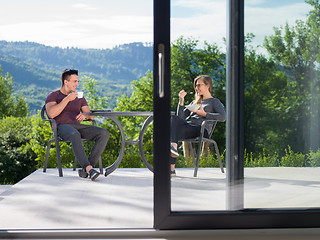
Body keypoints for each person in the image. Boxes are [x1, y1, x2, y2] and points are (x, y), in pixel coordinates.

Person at [45, 69, 110, 181]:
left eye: (77, 81)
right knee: (75, 134)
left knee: (104, 133)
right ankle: (89, 169)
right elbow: (51, 114)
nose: (77, 84)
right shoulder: (53, 95)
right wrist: (66, 99)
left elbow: (90, 115)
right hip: (62, 127)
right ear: (66, 82)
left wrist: (85, 115)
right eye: (75, 81)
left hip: (78, 127)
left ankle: (87, 170)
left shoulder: (79, 97)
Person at [170, 75, 226, 176]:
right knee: (173, 122)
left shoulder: (214, 101)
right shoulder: (195, 102)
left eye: (199, 85)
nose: (196, 88)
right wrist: (181, 100)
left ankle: (172, 158)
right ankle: (172, 168)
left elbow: (222, 117)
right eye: (196, 85)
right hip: (190, 128)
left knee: (172, 134)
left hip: (202, 130)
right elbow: (180, 118)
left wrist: (204, 114)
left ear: (207, 86)